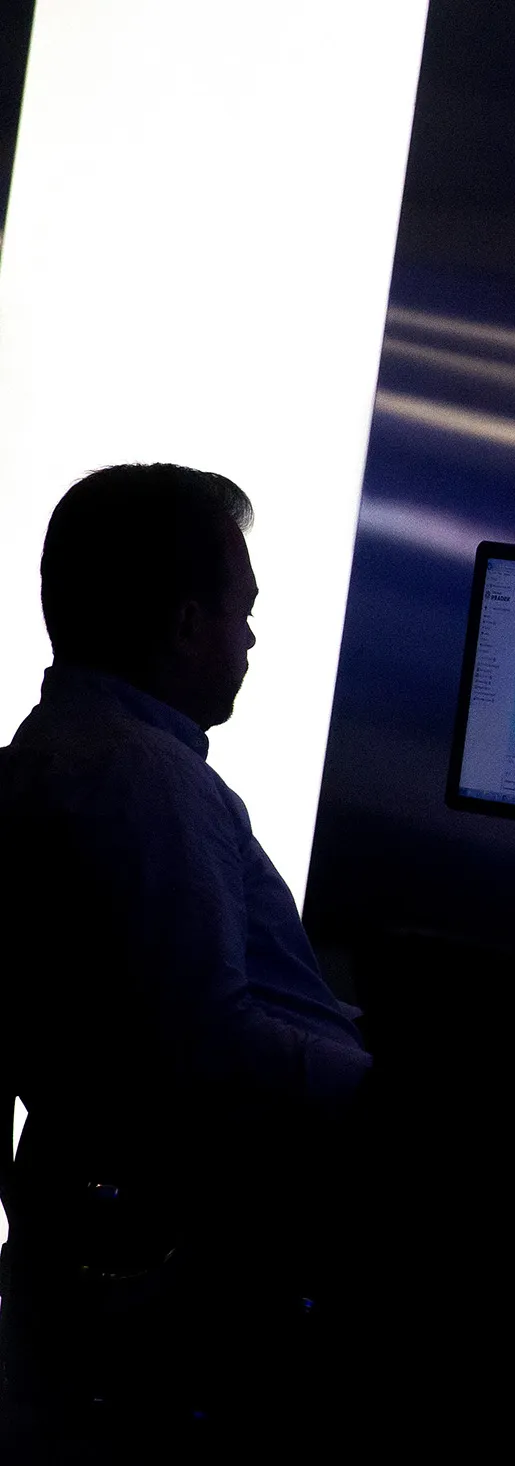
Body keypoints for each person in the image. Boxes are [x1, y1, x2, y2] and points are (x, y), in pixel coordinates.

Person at [0, 464, 370, 1436]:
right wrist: (387, 1089)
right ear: (186, 624)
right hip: (202, 1256)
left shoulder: (49, 753)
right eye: (242, 613)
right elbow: (214, 1039)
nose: (250, 639)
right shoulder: (149, 781)